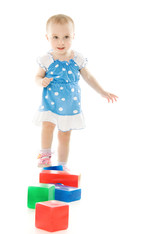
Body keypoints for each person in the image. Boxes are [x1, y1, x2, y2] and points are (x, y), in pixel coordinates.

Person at [33, 14, 118, 169]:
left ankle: (62, 165)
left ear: (73, 36)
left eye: (66, 36)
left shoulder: (77, 58)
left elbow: (88, 76)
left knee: (65, 135)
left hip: (70, 104)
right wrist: (41, 81)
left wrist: (102, 91)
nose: (61, 42)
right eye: (55, 37)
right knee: (47, 126)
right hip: (50, 101)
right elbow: (37, 77)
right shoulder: (46, 59)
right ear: (47, 37)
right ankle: (45, 156)